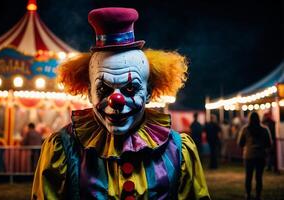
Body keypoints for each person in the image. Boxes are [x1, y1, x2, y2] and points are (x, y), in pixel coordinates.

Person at [32, 8, 210, 199]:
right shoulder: (63, 149)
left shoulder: (178, 150)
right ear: (89, 92)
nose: (116, 101)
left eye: (131, 88)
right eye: (103, 89)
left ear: (148, 93)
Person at [238, 112, 272, 200]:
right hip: (260, 156)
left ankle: (248, 195)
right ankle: (258, 195)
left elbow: (240, 143)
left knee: (248, 176)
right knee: (259, 177)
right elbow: (269, 144)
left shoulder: (245, 129)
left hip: (248, 156)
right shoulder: (264, 129)